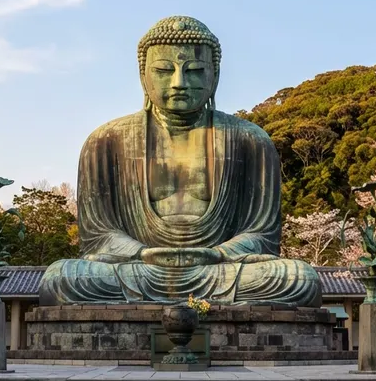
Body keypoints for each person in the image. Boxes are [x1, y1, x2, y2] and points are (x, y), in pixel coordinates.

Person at [39, 16, 321, 306]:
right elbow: (98, 236)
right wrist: (141, 253)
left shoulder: (250, 140)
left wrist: (219, 253)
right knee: (60, 278)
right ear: (143, 76)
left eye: (195, 71)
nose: (179, 83)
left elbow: (261, 234)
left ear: (215, 76)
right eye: (164, 70)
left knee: (300, 279)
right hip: (139, 268)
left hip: (218, 269)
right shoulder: (106, 141)